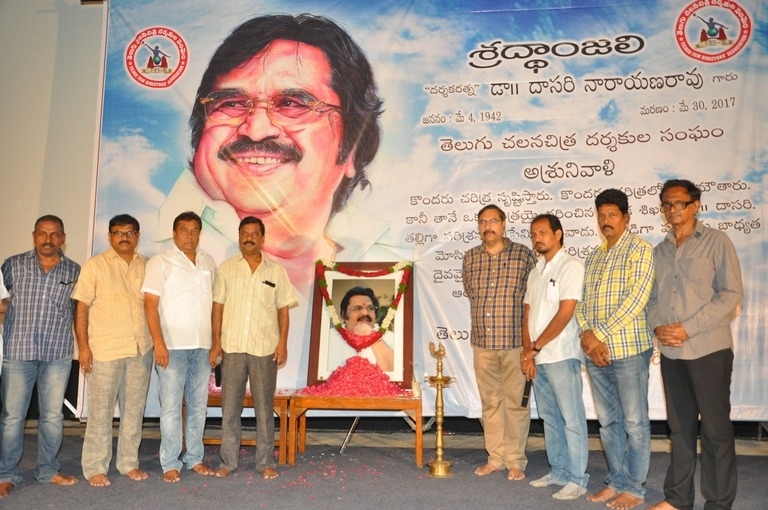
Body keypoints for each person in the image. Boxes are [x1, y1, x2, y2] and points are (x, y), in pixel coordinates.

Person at [154, 13, 386, 292]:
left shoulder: (383, 266)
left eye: (291, 103)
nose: (256, 129)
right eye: (232, 103)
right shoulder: (149, 256)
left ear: (352, 147)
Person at [647, 180, 743, 510]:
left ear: (696, 205)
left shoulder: (717, 242)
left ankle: (717, 502)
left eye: (679, 204)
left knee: (716, 431)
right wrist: (659, 327)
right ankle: (677, 499)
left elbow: (731, 295)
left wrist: (688, 328)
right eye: (667, 205)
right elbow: (654, 299)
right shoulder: (659, 251)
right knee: (680, 429)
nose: (673, 210)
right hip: (672, 352)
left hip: (709, 351)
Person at [575, 188, 655, 510]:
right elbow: (581, 303)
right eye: (601, 215)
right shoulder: (593, 257)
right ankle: (617, 481)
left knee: (635, 422)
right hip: (596, 353)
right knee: (609, 423)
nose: (606, 221)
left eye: (612, 215)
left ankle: (635, 488)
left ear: (626, 217)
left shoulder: (641, 249)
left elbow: (637, 299)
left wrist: (600, 335)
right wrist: (586, 336)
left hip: (629, 349)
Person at [209, 216, 298, 480]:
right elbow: (218, 307)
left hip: (264, 349)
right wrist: (216, 342)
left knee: (264, 408)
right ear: (239, 237)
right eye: (244, 233)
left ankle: (265, 462)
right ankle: (228, 461)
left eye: (254, 234)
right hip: (232, 347)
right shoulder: (226, 269)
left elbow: (283, 309)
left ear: (262, 238)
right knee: (230, 409)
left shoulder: (276, 271)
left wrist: (282, 342)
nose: (249, 238)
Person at [0, 215, 81, 499]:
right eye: (43, 234)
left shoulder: (74, 270)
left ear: (63, 237)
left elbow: (79, 313)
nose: (48, 239)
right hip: (18, 352)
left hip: (57, 354)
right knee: (12, 417)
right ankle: (7, 474)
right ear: (34, 235)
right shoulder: (12, 265)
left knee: (51, 416)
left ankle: (47, 469)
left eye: (54, 234)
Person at [71, 214, 152, 487]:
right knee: (101, 411)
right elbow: (80, 307)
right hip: (105, 349)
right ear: (110, 236)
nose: (124, 238)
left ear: (138, 236)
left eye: (130, 233)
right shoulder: (95, 266)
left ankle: (128, 462)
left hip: (141, 349)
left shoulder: (148, 266)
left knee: (134, 410)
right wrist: (83, 347)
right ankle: (95, 467)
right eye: (118, 233)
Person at [462, 204, 537, 481]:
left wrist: (530, 346)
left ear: (504, 224)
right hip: (483, 342)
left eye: (493, 220)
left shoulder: (523, 255)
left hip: (515, 342)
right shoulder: (470, 258)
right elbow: (472, 294)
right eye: (482, 222)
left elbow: (532, 297)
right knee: (490, 403)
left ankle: (516, 460)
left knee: (516, 403)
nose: (487, 226)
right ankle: (495, 457)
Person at [142, 211, 216, 483]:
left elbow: (213, 306)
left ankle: (194, 457)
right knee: (171, 407)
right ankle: (170, 462)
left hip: (202, 346)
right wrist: (158, 343)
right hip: (171, 347)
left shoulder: (208, 262)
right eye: (184, 230)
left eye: (194, 230)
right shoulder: (160, 262)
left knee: (198, 406)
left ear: (200, 233)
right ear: (174, 233)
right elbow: (149, 305)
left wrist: (215, 343)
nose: (189, 235)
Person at [521, 214, 589, 500]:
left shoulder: (570, 266)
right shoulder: (535, 271)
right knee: (549, 417)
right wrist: (528, 353)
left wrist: (535, 346)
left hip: (561, 354)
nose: (537, 238)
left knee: (571, 418)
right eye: (533, 233)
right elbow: (526, 314)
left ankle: (578, 479)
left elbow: (565, 313)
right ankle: (559, 471)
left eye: (543, 232)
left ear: (558, 234)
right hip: (538, 356)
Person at [326, 286, 395, 373]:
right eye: (357, 308)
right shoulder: (328, 339)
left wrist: (372, 336)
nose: (365, 313)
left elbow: (396, 375)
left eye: (370, 308)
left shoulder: (390, 338)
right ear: (343, 315)